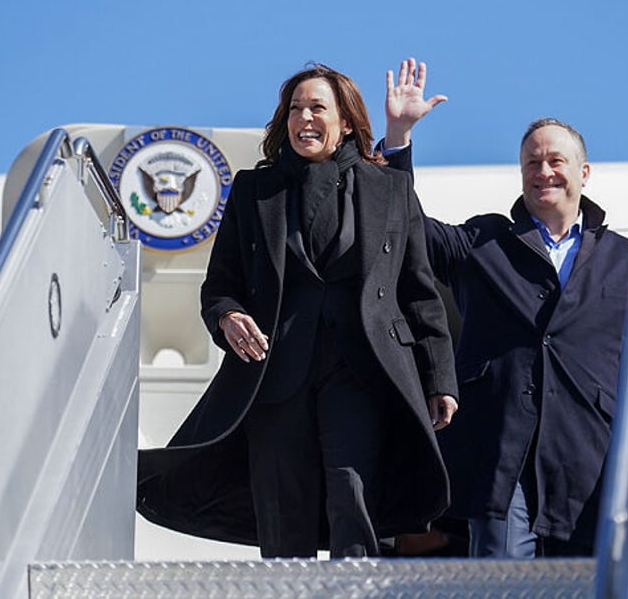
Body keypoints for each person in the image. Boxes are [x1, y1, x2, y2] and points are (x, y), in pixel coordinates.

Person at [137, 63, 459, 559]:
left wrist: (440, 378)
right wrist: (227, 318)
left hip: (362, 374)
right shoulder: (253, 190)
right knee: (284, 510)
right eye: (295, 109)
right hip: (274, 378)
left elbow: (418, 291)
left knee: (354, 497)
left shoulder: (389, 189)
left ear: (346, 122)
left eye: (316, 108)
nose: (303, 118)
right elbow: (220, 287)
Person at [381, 58, 628, 558]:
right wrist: (398, 138)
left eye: (555, 161)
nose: (544, 172)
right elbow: (405, 228)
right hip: (501, 454)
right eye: (532, 163)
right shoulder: (485, 241)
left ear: (583, 172)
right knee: (500, 581)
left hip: (591, 457)